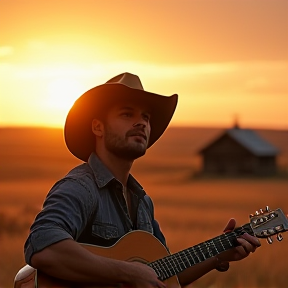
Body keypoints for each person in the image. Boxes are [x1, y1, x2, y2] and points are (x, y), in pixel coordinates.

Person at [24, 72, 261, 287]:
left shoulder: (142, 202)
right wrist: (127, 273)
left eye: (146, 117)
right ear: (98, 127)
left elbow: (165, 275)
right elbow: (44, 246)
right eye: (127, 114)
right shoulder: (81, 187)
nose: (141, 123)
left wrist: (219, 253)